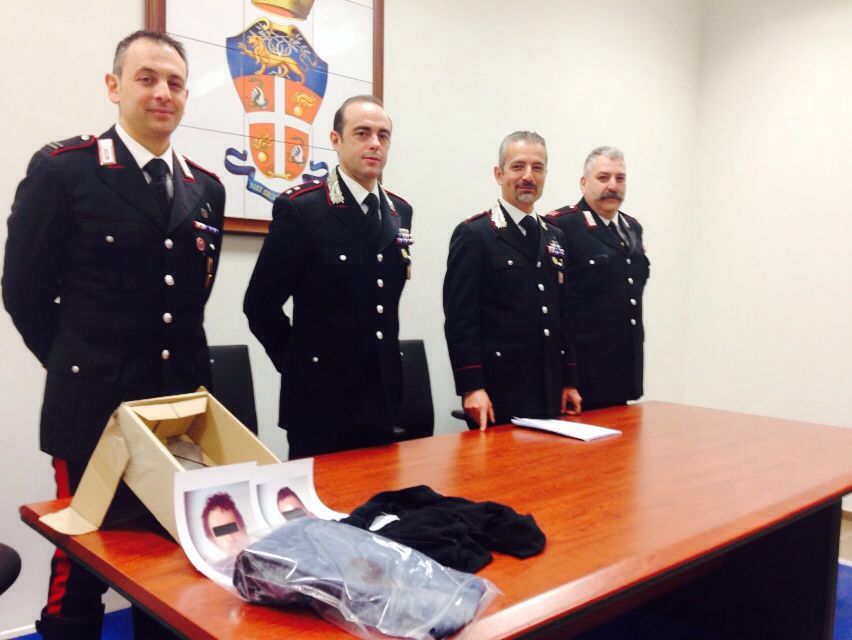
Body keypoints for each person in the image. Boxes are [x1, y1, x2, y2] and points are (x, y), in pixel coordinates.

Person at [2, 30, 225, 639]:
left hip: (176, 408)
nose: (162, 93)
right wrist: (77, 362)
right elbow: (22, 291)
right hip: (92, 407)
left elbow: (191, 299)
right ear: (114, 86)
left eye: (175, 83)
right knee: (82, 558)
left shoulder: (206, 187)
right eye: (146, 78)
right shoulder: (65, 170)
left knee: (170, 560)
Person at [244, 95, 413, 458]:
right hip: (320, 401)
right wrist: (299, 366)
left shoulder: (399, 210)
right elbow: (259, 305)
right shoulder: (303, 208)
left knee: (384, 493)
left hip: (382, 397)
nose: (375, 143)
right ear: (335, 140)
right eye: (362, 133)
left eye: (383, 135)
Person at [443, 131, 581, 430]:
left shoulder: (555, 237)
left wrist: (569, 380)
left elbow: (564, 315)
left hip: (549, 389)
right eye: (518, 166)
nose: (528, 176)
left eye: (537, 167)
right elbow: (460, 320)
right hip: (499, 392)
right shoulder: (476, 234)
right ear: (499, 174)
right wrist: (471, 386)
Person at [546, 146, 649, 409]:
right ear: (584, 183)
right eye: (603, 177)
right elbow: (555, 306)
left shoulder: (631, 227)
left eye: (620, 178)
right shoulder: (561, 226)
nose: (612, 185)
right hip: (581, 375)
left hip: (622, 372)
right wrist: (566, 377)